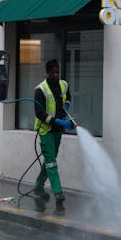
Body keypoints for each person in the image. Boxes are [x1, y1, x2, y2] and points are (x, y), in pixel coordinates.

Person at [33, 58, 74, 212]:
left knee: (50, 160)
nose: (56, 75)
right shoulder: (40, 90)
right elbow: (39, 113)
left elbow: (68, 97)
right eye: (53, 73)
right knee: (51, 162)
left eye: (58, 72)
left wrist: (67, 105)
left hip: (57, 131)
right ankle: (58, 193)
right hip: (46, 130)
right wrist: (60, 122)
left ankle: (38, 187)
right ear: (48, 73)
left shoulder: (64, 84)